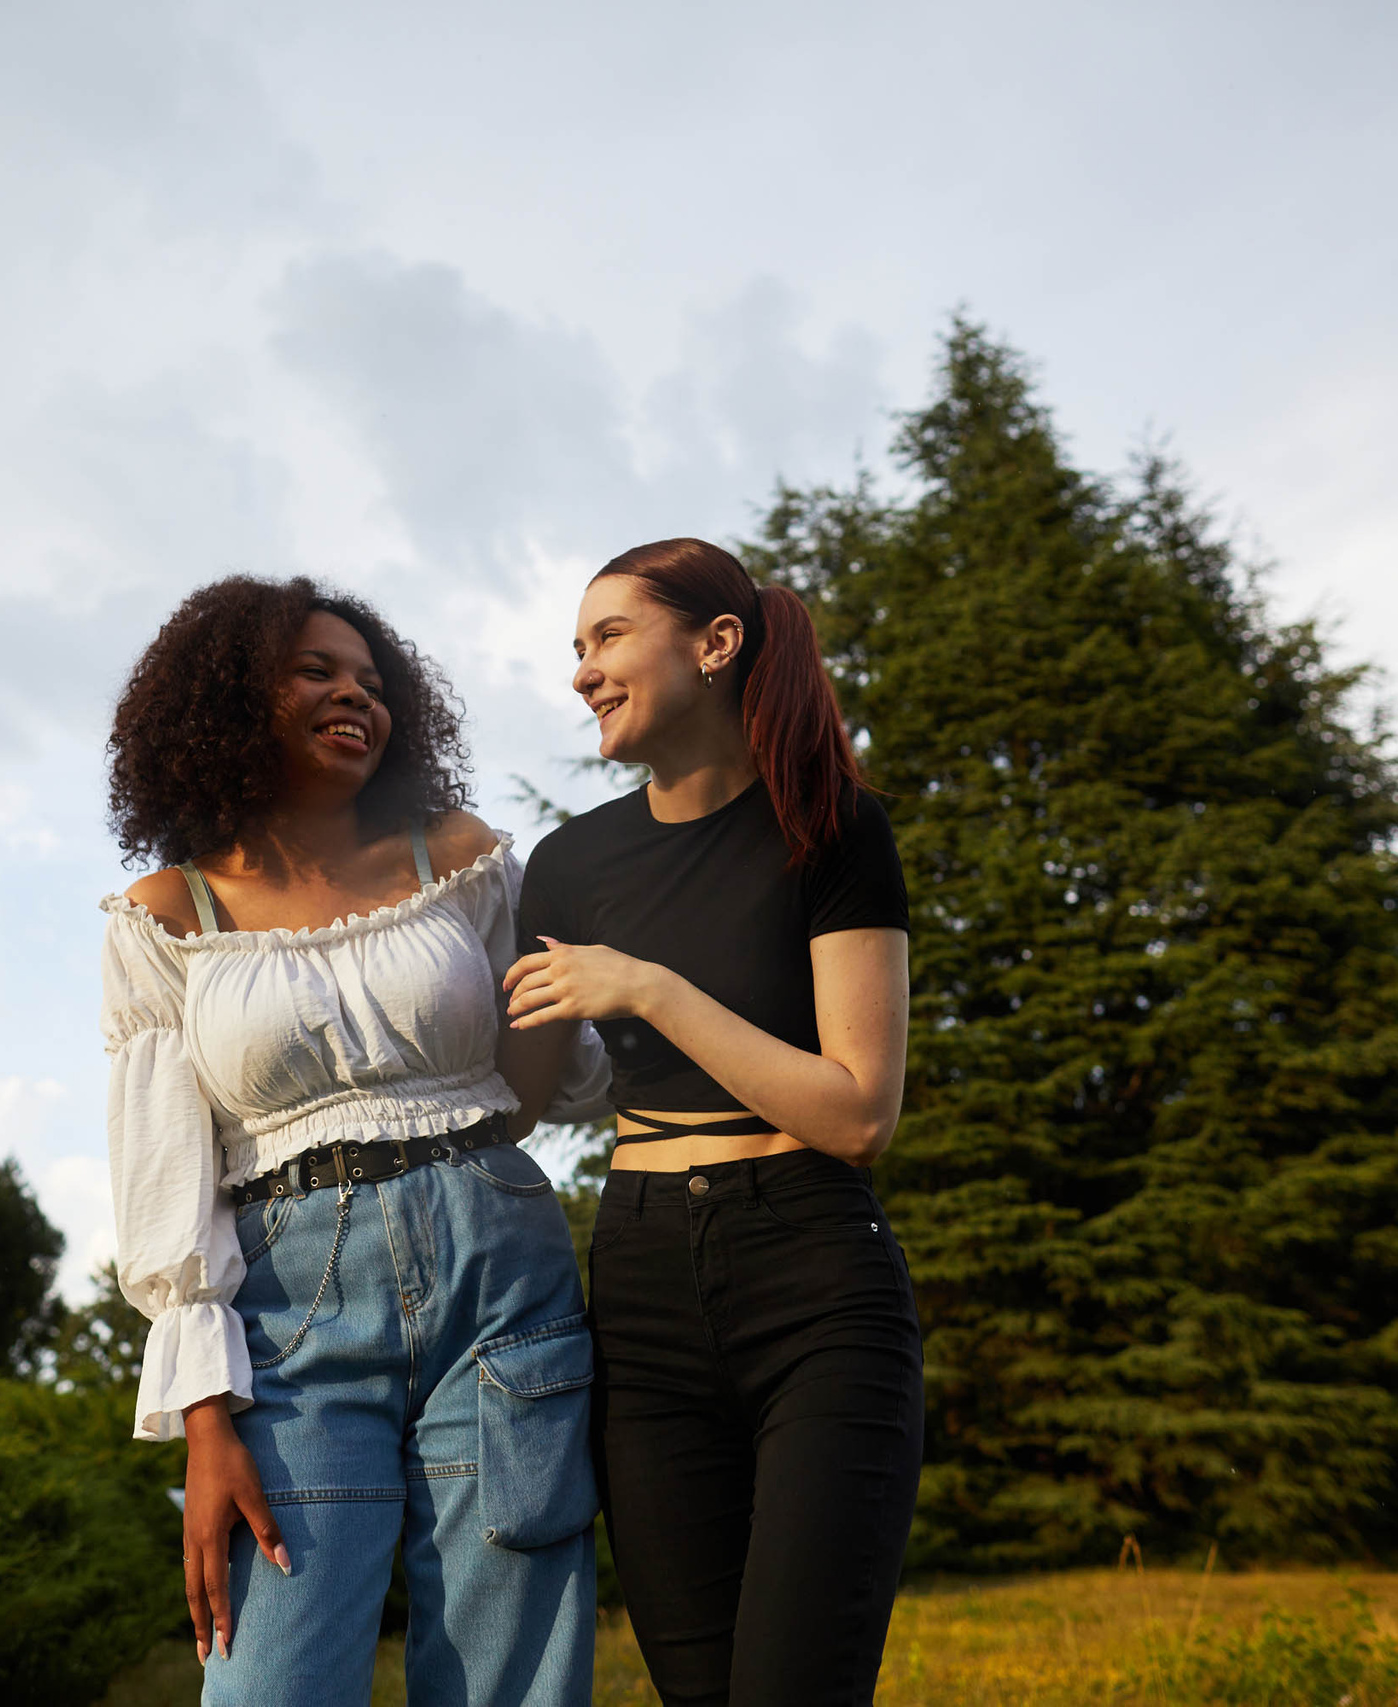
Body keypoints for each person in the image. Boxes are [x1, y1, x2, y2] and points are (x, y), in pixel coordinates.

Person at [98, 576, 608, 1707]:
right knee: (271, 1678)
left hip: (500, 1265)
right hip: (288, 1312)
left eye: (374, 683)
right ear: (230, 699)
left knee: (510, 1669)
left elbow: (532, 1082)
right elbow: (162, 1180)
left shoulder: (460, 858)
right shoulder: (170, 914)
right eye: (317, 672)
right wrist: (202, 1421)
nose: (354, 697)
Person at [501, 538, 922, 1707]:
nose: (582, 671)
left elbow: (858, 1112)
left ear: (715, 643)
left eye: (607, 637)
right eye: (575, 650)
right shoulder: (568, 866)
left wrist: (646, 989)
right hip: (638, 1285)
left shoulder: (830, 827)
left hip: (815, 1280)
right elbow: (516, 1100)